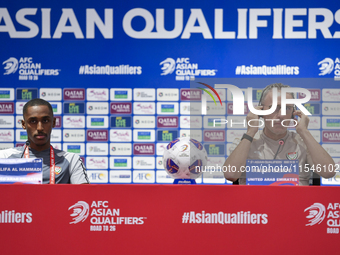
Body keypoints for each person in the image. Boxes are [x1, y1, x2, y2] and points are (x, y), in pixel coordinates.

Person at [223, 83, 336, 185]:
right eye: (274, 108)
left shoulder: (303, 143)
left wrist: (304, 132)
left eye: (287, 108)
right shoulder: (245, 142)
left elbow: (329, 172)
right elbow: (230, 175)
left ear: (293, 113)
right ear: (261, 111)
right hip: (254, 205)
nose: (281, 115)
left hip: (296, 205)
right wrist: (251, 132)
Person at [0, 98, 89, 184]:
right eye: (33, 121)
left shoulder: (71, 160)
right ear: (24, 124)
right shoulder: (3, 157)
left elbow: (84, 196)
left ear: (53, 122)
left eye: (45, 120)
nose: (40, 128)